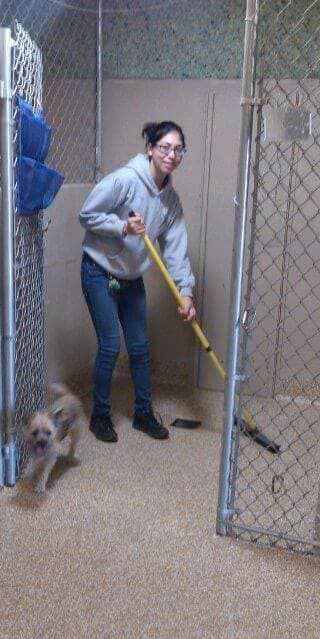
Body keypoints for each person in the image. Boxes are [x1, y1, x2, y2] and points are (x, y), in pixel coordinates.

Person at [79, 121, 196, 443]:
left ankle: (143, 414)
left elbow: (176, 251)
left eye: (178, 149)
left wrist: (185, 293)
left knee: (140, 348)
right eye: (164, 147)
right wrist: (123, 227)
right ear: (150, 149)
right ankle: (100, 416)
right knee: (110, 345)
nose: (171, 155)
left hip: (130, 278)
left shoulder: (170, 201)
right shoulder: (125, 180)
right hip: (99, 272)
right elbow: (86, 214)